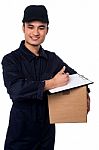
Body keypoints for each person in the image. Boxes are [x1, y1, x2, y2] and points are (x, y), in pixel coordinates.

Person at [1, 5, 90, 150]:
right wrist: (51, 83)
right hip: (21, 131)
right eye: (31, 27)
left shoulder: (52, 59)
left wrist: (85, 92)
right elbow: (16, 90)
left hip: (46, 131)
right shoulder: (11, 60)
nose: (36, 32)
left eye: (41, 28)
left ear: (47, 30)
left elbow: (75, 77)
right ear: (23, 28)